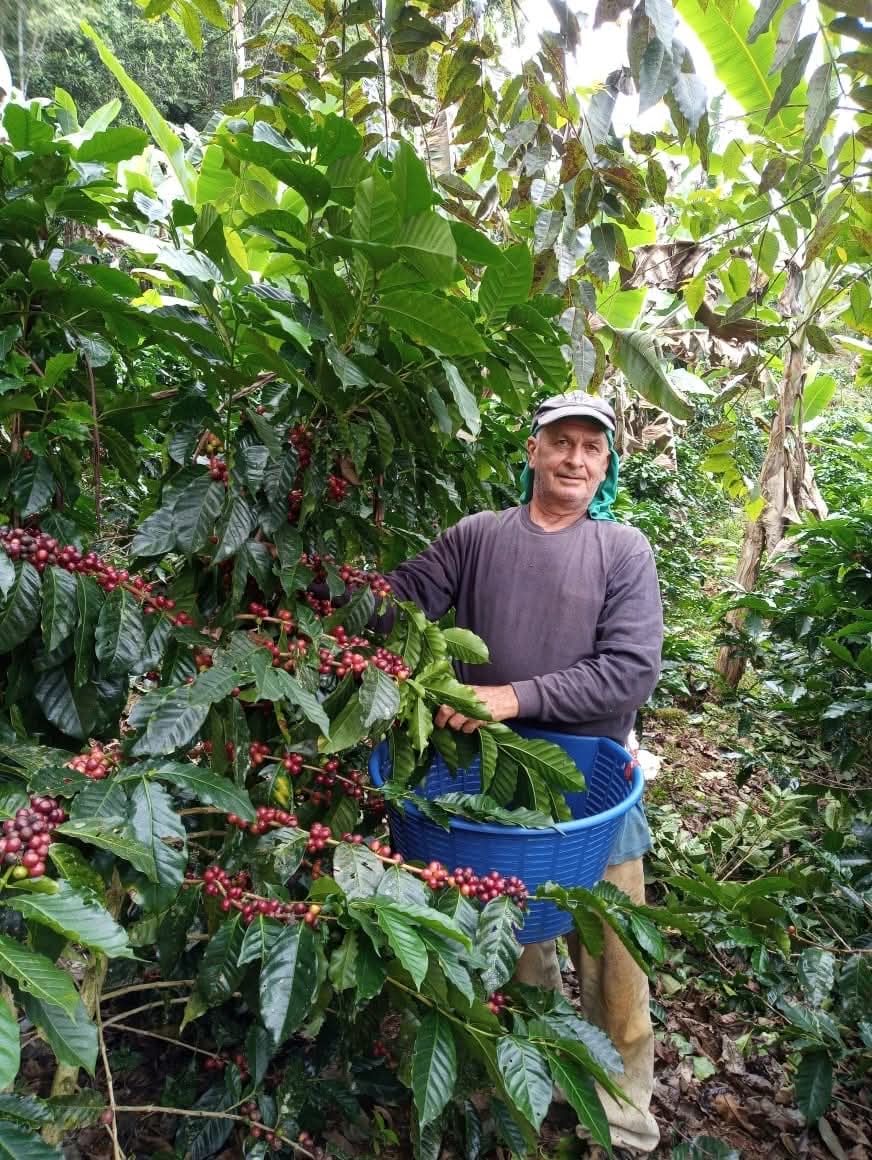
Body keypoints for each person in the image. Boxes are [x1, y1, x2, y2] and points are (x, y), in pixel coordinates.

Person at [382, 391, 663, 1157]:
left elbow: (630, 672)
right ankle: (524, 1099)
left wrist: (513, 697)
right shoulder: (477, 536)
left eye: (592, 448)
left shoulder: (623, 549)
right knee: (515, 956)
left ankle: (625, 1121)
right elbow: (400, 600)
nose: (576, 458)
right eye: (561, 442)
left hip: (590, 789)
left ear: (605, 464)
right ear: (533, 451)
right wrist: (326, 597)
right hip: (488, 789)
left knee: (614, 967)